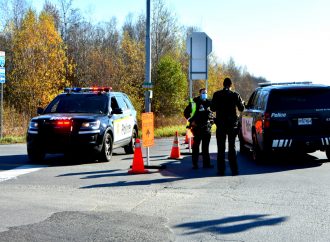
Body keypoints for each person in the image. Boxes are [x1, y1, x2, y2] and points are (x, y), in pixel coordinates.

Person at [211, 78, 245, 176]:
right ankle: (234, 170)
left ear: (223, 84)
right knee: (232, 147)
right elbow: (241, 108)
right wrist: (242, 102)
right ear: (231, 85)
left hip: (221, 124)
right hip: (232, 125)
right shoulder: (235, 95)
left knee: (221, 148)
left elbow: (212, 108)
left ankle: (221, 171)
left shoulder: (217, 94)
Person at [184, 88, 214, 169]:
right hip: (197, 127)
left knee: (205, 147)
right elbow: (186, 113)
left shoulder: (209, 103)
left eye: (206, 93)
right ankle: (195, 164)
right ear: (200, 93)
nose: (205, 94)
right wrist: (191, 121)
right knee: (196, 147)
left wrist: (212, 121)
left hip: (206, 128)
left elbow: (212, 114)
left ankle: (206, 164)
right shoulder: (194, 102)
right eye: (203, 93)